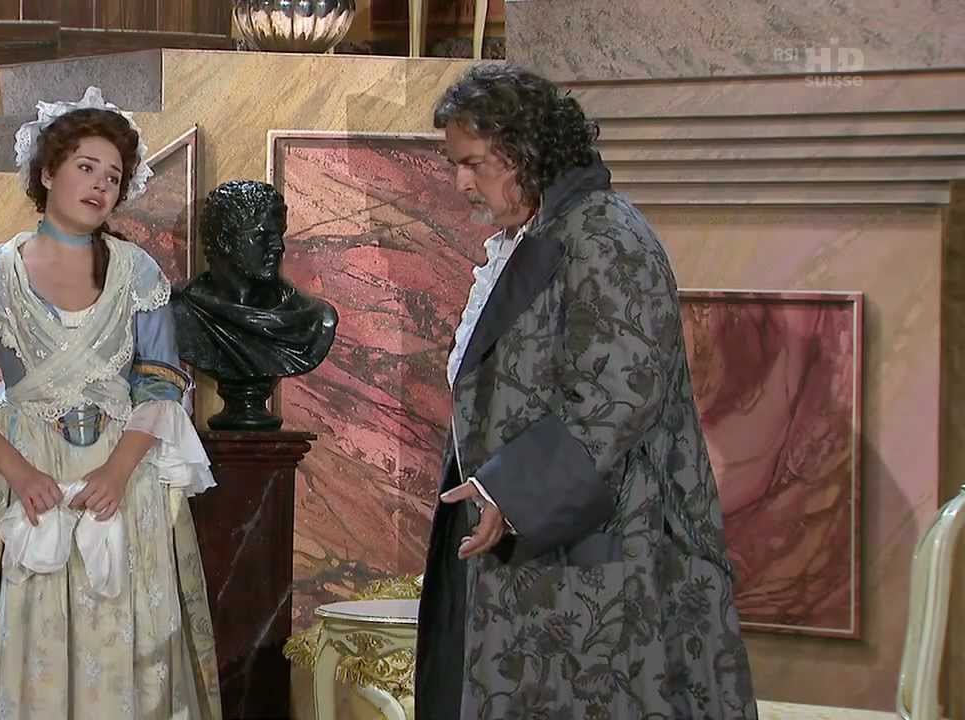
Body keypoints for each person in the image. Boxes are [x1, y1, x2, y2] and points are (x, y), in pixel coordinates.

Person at [416, 64, 757, 719]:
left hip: (606, 556)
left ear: (525, 150)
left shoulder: (605, 235)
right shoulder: (538, 235)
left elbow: (620, 393)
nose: (460, 183)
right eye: (453, 165)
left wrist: (509, 491)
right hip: (539, 550)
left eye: (473, 164)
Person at [0, 86, 221, 719]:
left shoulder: (137, 272)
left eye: (113, 176)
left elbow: (160, 385)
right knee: (26, 629)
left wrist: (117, 472)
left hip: (120, 470)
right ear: (47, 173)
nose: (100, 185)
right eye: (86, 167)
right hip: (22, 465)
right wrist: (20, 475)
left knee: (124, 636)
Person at [171, 180, 337, 429]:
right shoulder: (177, 313)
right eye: (262, 236)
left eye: (279, 235)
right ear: (224, 241)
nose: (278, 247)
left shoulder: (315, 319)